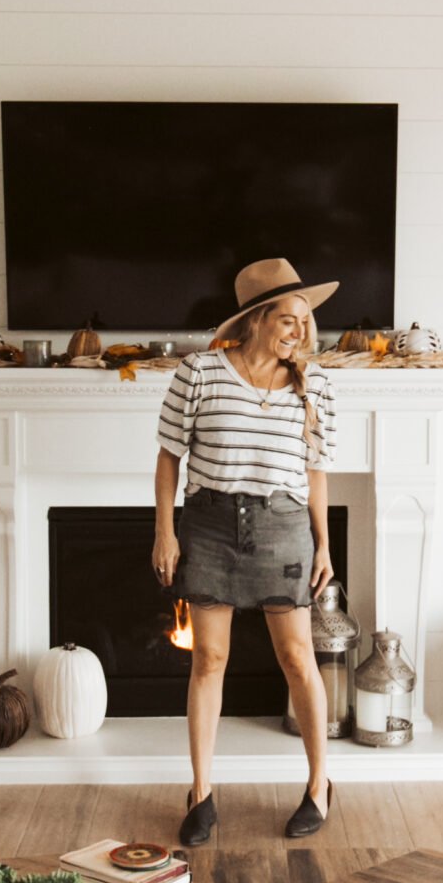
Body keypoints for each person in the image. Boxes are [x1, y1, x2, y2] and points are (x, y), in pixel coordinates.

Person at [153, 257, 340, 845]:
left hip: (284, 528)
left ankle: (318, 785)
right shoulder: (199, 374)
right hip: (208, 525)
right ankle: (201, 793)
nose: (300, 333)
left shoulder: (317, 387)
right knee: (209, 661)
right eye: (288, 319)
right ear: (257, 319)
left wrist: (324, 544)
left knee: (296, 659)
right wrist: (165, 530)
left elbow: (315, 472)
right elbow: (168, 458)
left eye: (305, 322)